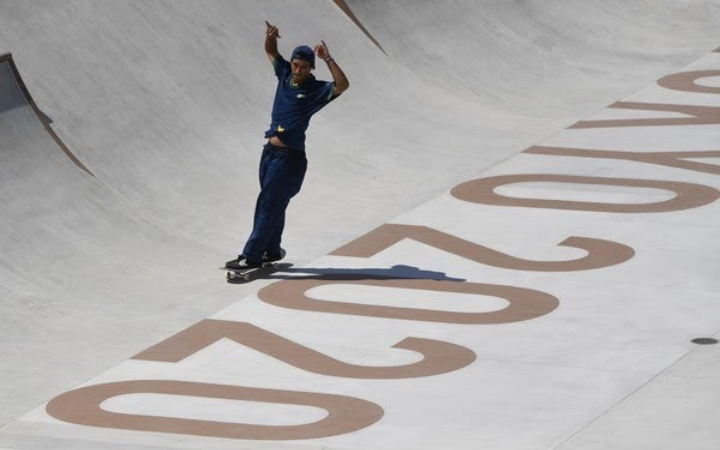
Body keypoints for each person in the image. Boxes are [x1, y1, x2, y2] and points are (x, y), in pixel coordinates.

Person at [226, 21, 350, 269]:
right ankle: (271, 250)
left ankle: (251, 255)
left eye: (303, 67)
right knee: (270, 202)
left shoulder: (316, 90)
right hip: (270, 154)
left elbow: (342, 85)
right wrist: (270, 37)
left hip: (289, 158)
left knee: (270, 205)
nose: (298, 70)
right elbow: (271, 52)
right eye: (295, 64)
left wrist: (328, 59)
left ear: (310, 68)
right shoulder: (284, 75)